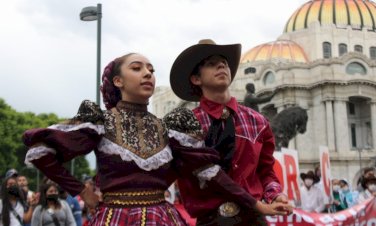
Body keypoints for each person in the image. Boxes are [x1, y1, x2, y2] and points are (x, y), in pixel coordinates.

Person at [22, 53, 257, 225]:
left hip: (161, 217)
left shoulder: (170, 129)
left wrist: (255, 204)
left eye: (152, 70)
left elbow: (210, 173)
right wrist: (82, 192)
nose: (147, 74)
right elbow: (42, 152)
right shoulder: (100, 123)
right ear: (118, 81)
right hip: (114, 217)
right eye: (137, 68)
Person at [167, 39, 292, 225]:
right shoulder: (186, 125)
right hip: (212, 220)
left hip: (255, 220)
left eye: (224, 63)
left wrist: (275, 195)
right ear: (196, 79)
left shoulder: (258, 122)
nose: (221, 66)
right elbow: (209, 176)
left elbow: (265, 170)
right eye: (211, 63)